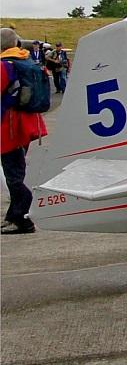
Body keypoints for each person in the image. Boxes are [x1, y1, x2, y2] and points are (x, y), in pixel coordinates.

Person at [1, 28, 49, 234]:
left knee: (13, 173)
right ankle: (15, 216)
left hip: (10, 126)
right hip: (29, 122)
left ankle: (22, 217)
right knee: (17, 169)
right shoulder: (27, 61)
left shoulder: (5, 65)